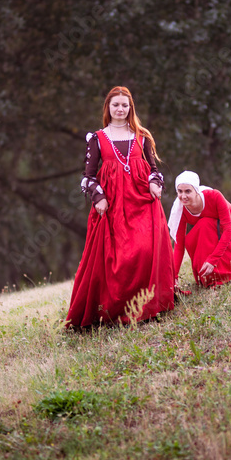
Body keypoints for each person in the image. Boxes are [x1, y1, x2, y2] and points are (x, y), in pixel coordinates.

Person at [65, 87, 176, 328]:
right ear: (108, 107)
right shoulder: (97, 138)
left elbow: (154, 169)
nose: (120, 109)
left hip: (142, 201)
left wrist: (155, 183)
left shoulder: (141, 136)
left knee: (145, 250)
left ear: (130, 108)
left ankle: (148, 305)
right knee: (119, 258)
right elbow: (88, 176)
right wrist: (98, 197)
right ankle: (116, 310)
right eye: (116, 104)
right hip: (112, 205)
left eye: (125, 105)